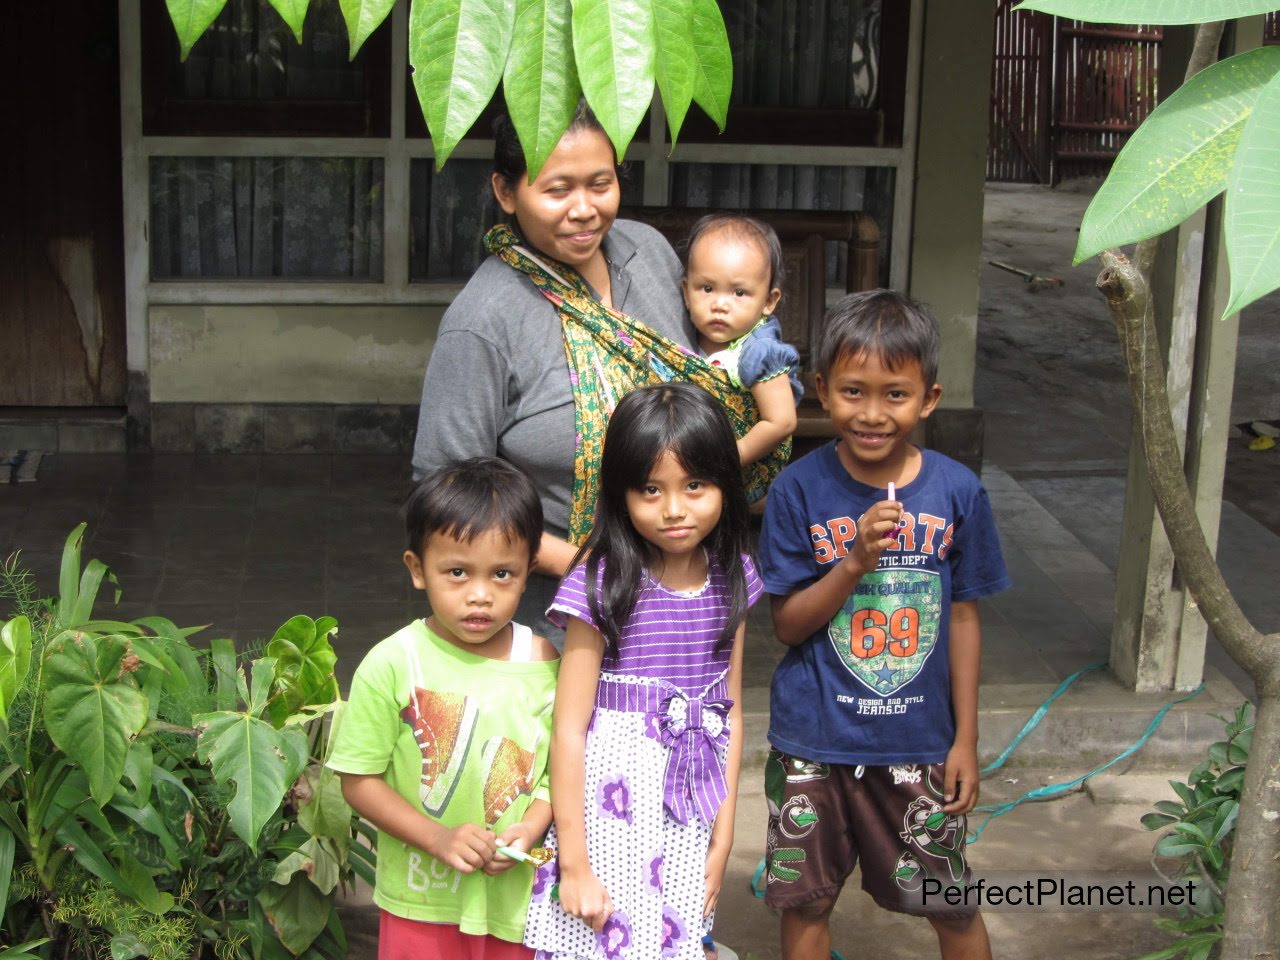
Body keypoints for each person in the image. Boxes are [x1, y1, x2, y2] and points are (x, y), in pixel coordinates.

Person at [757, 291, 1011, 960]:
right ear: (820, 391)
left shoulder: (958, 493)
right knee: (805, 900)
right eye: (852, 391)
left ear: (929, 398)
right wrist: (852, 562)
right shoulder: (797, 492)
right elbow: (787, 625)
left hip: (919, 742)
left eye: (895, 394)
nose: (872, 414)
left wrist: (965, 740)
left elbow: (961, 616)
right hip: (814, 739)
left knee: (949, 904)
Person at [411, 102, 694, 644]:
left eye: (600, 183)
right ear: (506, 192)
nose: (584, 209)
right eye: (558, 189)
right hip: (562, 610)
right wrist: (593, 568)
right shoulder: (483, 322)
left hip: (685, 585)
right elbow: (442, 489)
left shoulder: (649, 254)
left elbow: (707, 369)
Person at [522, 383, 761, 960]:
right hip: (608, 810)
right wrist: (573, 863)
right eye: (650, 489)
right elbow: (569, 728)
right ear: (621, 493)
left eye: (695, 486)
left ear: (726, 485)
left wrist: (724, 835)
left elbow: (728, 713)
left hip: (689, 804)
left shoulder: (733, 576)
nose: (674, 509)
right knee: (596, 943)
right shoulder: (602, 582)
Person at [328, 457, 560, 960]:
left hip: (515, 907)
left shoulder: (544, 662)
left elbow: (556, 772)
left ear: (529, 569)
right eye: (457, 572)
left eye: (503, 573)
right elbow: (358, 780)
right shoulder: (393, 663)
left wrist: (533, 825)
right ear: (417, 569)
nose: (480, 595)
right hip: (419, 903)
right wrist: (437, 838)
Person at [682, 214, 801, 466]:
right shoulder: (679, 335)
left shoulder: (760, 351)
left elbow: (782, 421)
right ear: (685, 291)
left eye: (739, 292)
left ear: (769, 301)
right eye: (706, 288)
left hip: (740, 463)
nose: (720, 304)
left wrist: (732, 459)